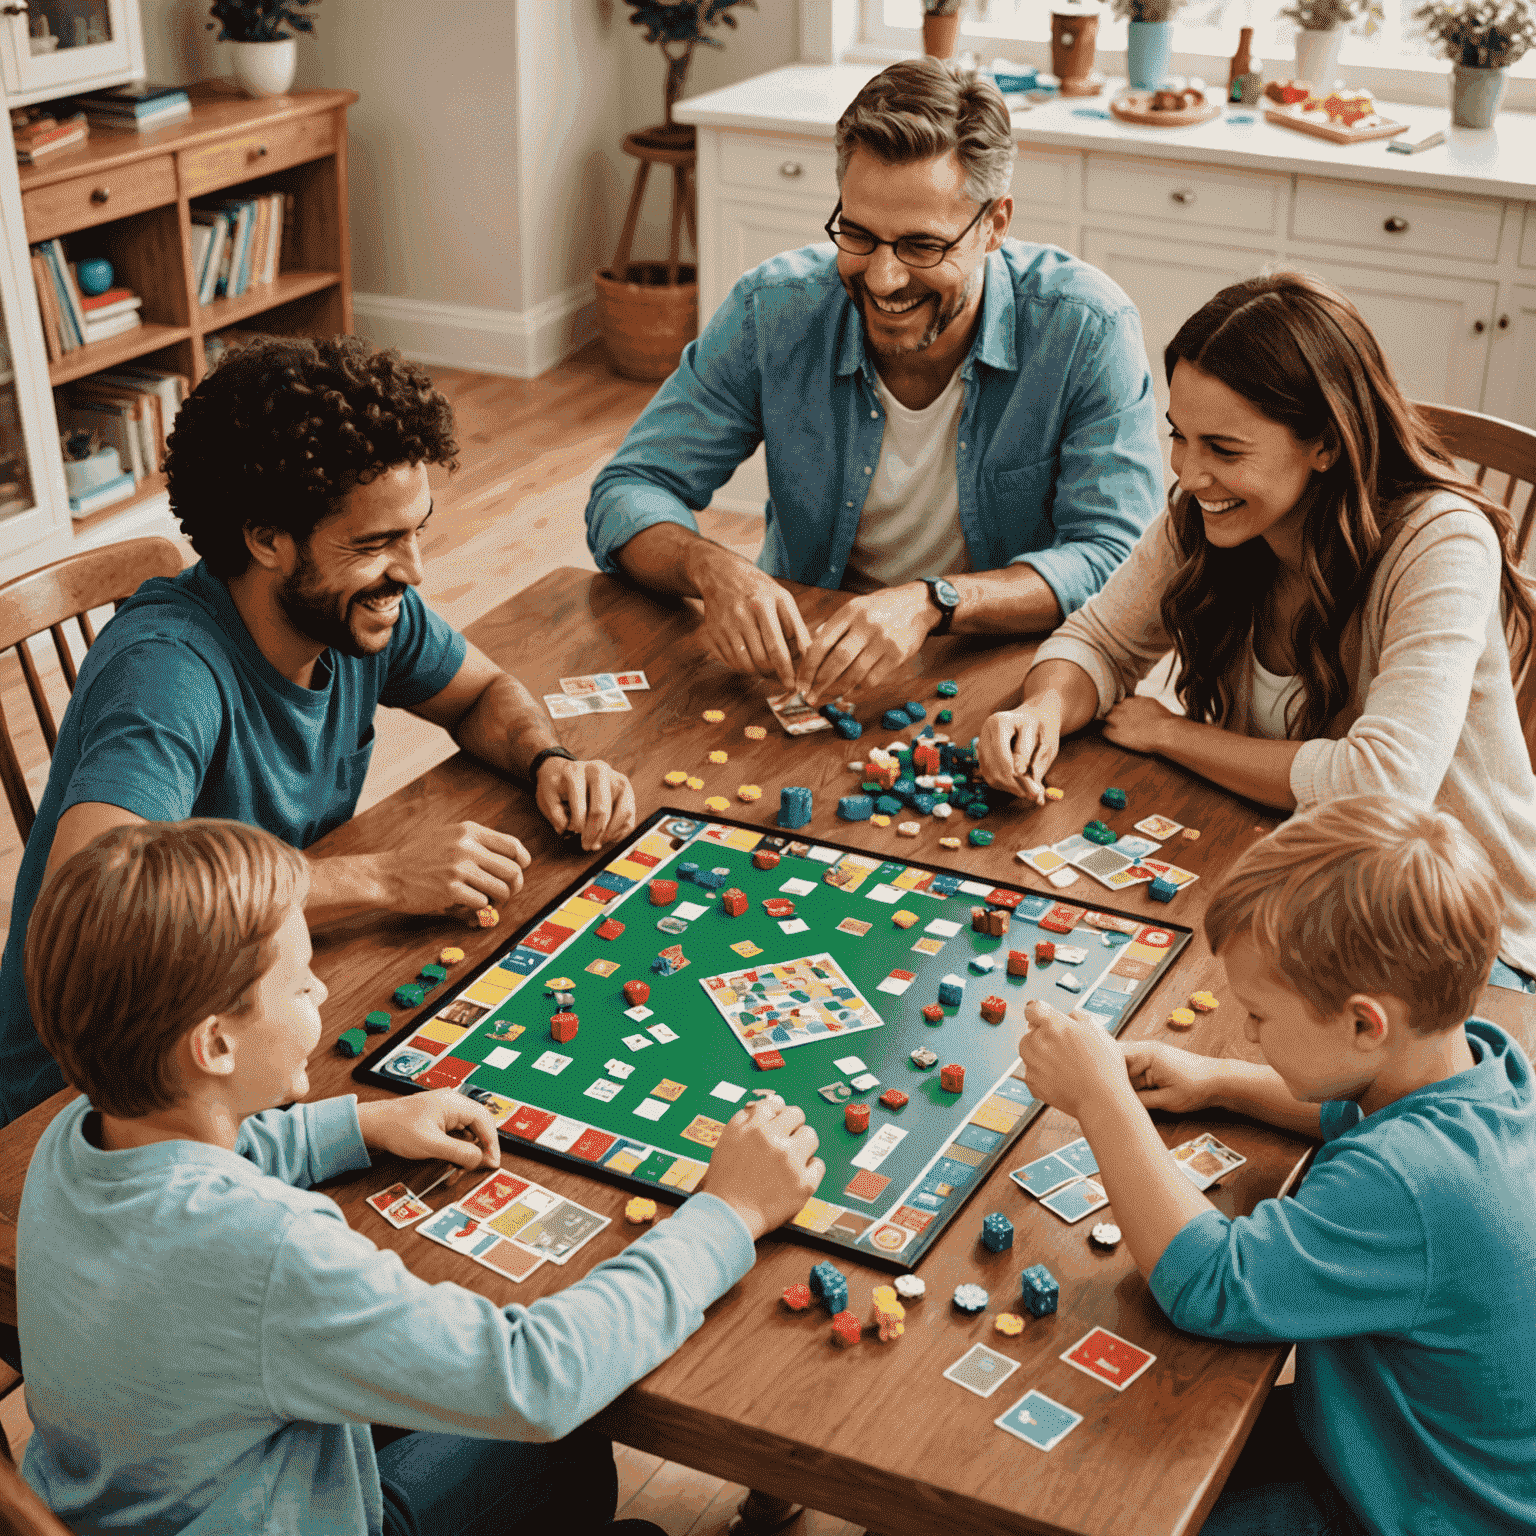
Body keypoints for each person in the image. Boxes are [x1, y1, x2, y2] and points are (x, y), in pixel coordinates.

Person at [17, 818, 823, 1536]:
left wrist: (359, 1122)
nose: (322, 989)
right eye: (300, 983)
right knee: (574, 1439)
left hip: (136, 1497)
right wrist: (727, 1212)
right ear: (216, 1046)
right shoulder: (271, 1254)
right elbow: (533, 1378)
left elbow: (196, 1168)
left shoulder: (75, 1136)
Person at [0, 336, 638, 1129]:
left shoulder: (356, 609)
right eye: (373, 545)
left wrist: (548, 758)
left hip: (256, 1001)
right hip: (95, 1102)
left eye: (416, 532)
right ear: (267, 540)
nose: (411, 570)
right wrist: (382, 879)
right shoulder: (166, 674)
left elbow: (481, 695)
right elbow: (101, 900)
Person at [979, 270, 1536, 979]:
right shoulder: (1209, 519)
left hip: (1455, 939)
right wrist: (1044, 708)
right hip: (1289, 874)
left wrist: (1172, 732)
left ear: (1324, 445)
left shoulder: (1442, 542)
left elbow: (1381, 787)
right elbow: (1098, 642)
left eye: (1224, 449)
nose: (1189, 471)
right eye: (1180, 437)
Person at [1018, 795, 1536, 1535]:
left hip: (1410, 1510)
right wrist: (1218, 1078)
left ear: (1363, 1022)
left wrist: (1101, 1100)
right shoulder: (1482, 1066)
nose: (1251, 1035)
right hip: (1405, 1458)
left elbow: (1209, 1284)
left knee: (1084, 1503)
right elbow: (1353, 1108)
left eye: (1259, 1017)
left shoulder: (1406, 1184)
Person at [585, 57, 1162, 707]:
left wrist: (934, 603)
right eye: (858, 235)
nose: (883, 279)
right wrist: (710, 568)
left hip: (1004, 675)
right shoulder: (772, 310)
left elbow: (1119, 561)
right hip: (809, 671)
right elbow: (629, 489)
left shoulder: (1086, 328)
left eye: (922, 246)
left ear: (994, 225)